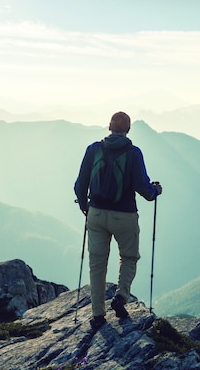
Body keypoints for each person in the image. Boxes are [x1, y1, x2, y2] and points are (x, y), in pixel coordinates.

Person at [74, 111, 162, 330]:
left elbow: (79, 185)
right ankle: (121, 297)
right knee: (129, 257)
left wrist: (86, 208)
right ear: (128, 129)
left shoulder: (93, 150)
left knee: (97, 264)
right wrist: (155, 191)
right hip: (124, 215)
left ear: (109, 126)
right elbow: (144, 189)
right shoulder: (133, 153)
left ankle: (97, 315)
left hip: (95, 213)